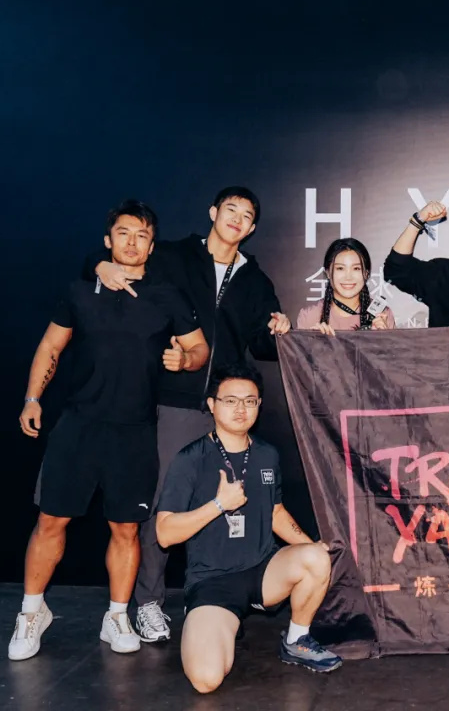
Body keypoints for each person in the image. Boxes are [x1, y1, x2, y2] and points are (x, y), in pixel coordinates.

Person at [87, 186, 291, 642]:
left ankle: (218, 595)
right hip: (172, 402)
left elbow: (261, 346)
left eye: (247, 215)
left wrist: (278, 329)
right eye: (231, 209)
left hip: (226, 412)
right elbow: (116, 262)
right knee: (164, 505)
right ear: (214, 212)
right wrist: (98, 266)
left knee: (225, 507)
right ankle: (148, 603)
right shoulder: (173, 256)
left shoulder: (255, 280)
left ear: (252, 228)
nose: (237, 219)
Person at [9, 201, 209, 661]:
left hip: (135, 432)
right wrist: (32, 398)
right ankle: (31, 612)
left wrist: (185, 359)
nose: (132, 243)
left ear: (152, 246)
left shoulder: (167, 295)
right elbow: (50, 345)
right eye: (124, 233)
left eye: (142, 236)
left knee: (126, 529)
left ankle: (117, 615)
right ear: (108, 240)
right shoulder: (81, 290)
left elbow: (199, 348)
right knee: (51, 521)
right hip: (78, 425)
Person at [156, 363, 341, 693]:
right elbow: (165, 533)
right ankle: (216, 622)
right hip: (213, 582)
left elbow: (276, 513)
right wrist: (218, 505)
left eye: (249, 401)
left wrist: (310, 546)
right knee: (206, 680)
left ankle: (297, 639)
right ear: (212, 405)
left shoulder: (267, 455)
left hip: (263, 571)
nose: (241, 409)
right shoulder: (191, 459)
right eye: (230, 401)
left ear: (259, 405)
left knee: (315, 557)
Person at [296, 238, 395, 333]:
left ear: (366, 274)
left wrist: (382, 338)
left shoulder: (381, 315)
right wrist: (314, 341)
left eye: (356, 268)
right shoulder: (309, 316)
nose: (348, 277)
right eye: (340, 268)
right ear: (328, 273)